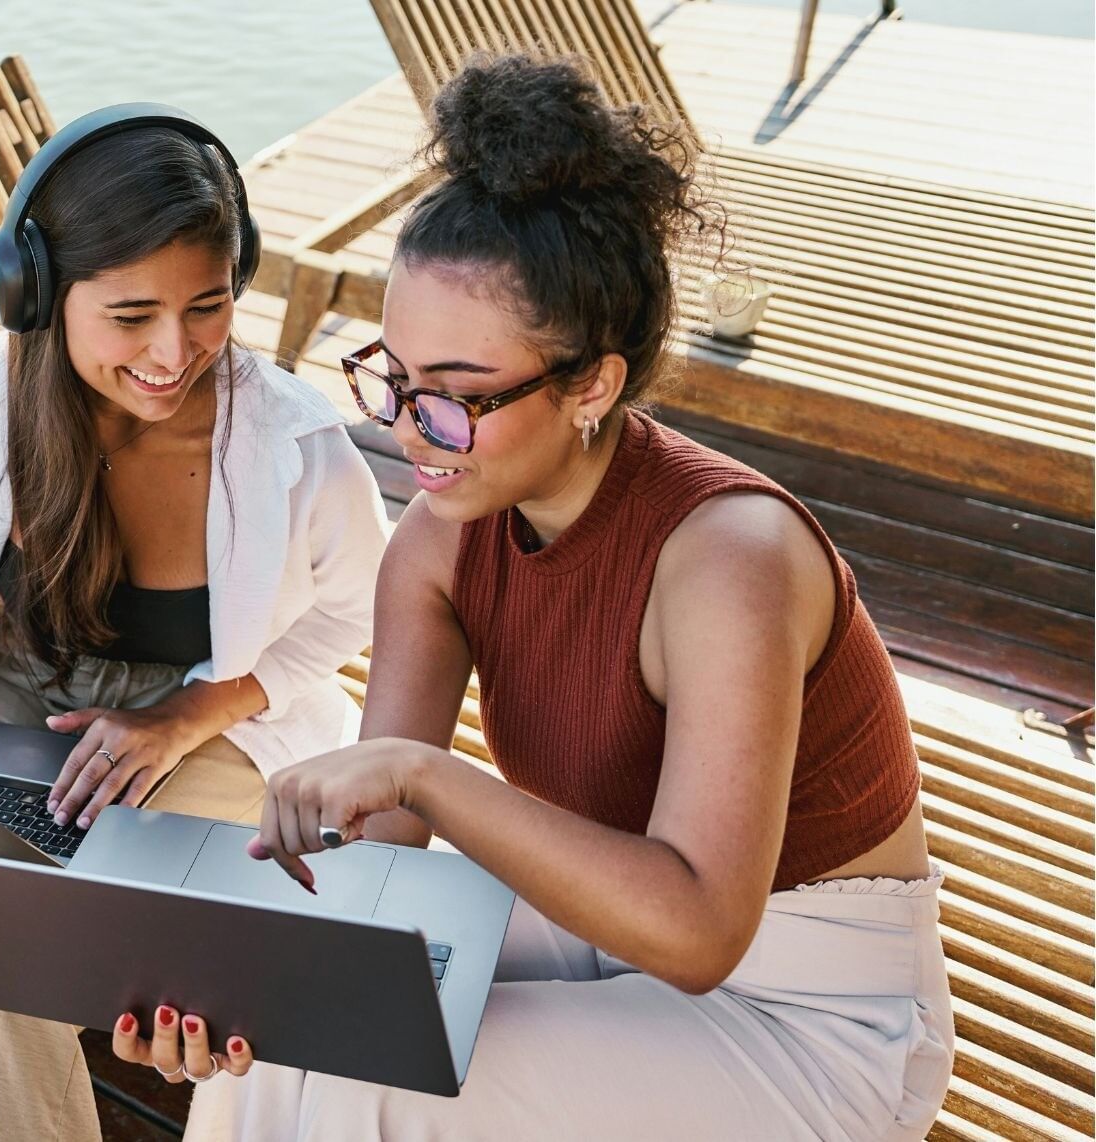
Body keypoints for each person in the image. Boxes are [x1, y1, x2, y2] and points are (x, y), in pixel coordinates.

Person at [112, 56, 953, 1142]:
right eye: (393, 378)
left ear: (591, 384)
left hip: (806, 1001)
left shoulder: (725, 558)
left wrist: (423, 772)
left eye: (458, 400)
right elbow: (378, 879)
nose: (409, 430)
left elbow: (699, 931)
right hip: (595, 915)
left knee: (387, 1081)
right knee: (284, 1026)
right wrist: (215, 986)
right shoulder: (438, 539)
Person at [0, 105, 391, 1142]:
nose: (174, 351)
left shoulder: (294, 449)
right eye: (129, 316)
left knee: (3, 948)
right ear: (37, 294)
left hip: (211, 727)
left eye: (206, 306)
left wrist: (181, 718)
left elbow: (353, 611)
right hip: (23, 689)